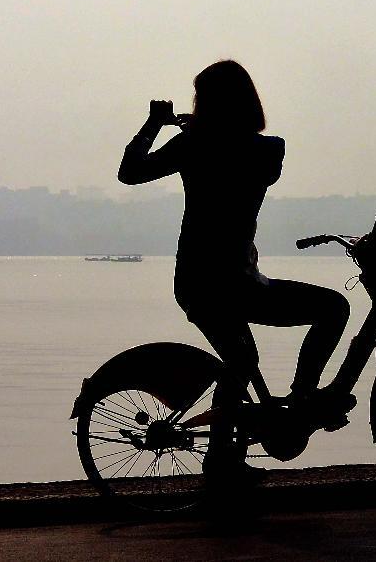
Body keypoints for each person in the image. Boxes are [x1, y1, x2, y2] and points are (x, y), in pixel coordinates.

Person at [118, 60, 354, 479]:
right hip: (235, 282)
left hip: (201, 281)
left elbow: (130, 172)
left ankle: (234, 452)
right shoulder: (267, 150)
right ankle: (294, 405)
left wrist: (156, 123)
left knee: (242, 358)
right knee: (330, 310)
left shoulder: (193, 146)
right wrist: (201, 131)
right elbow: (244, 153)